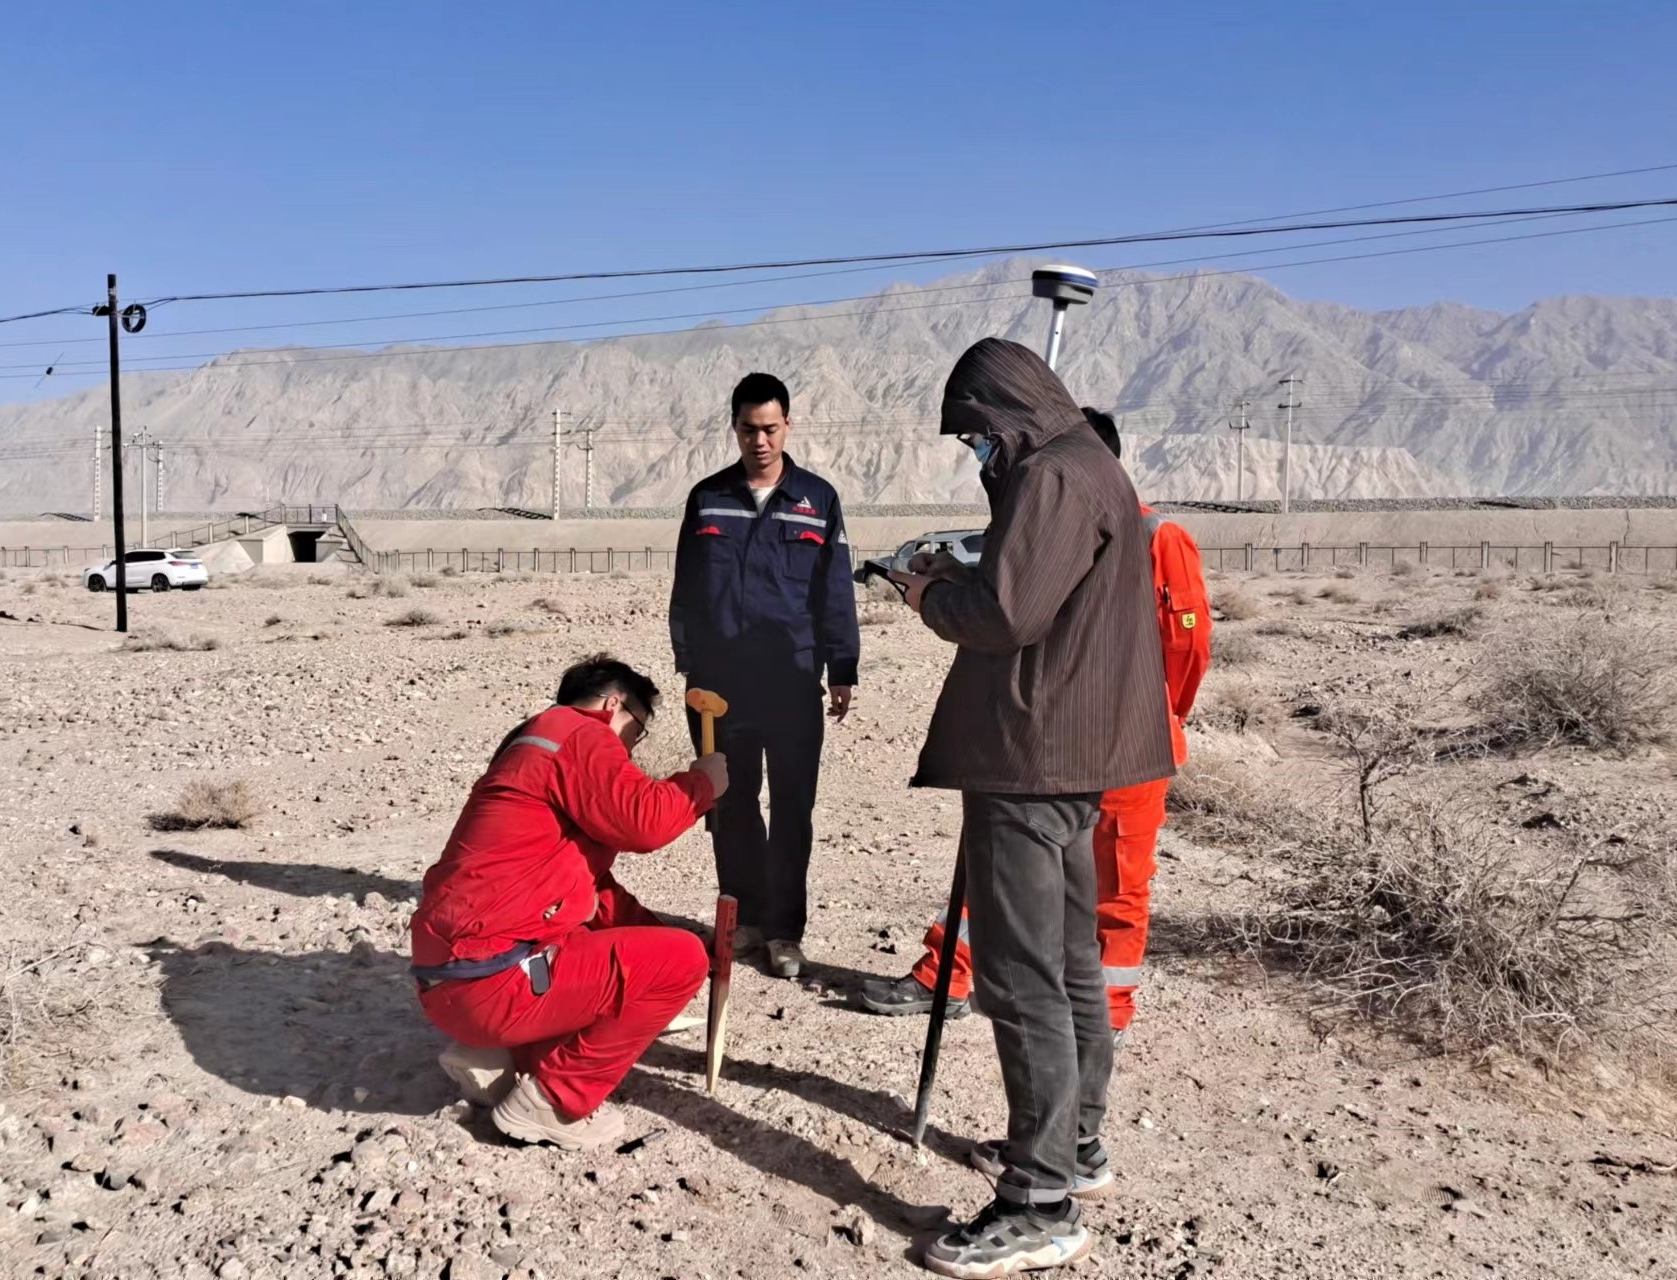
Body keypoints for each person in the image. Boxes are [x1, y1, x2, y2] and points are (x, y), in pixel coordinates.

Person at [889, 343, 1174, 1278]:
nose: (975, 453)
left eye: (974, 437)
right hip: (1075, 758)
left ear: (1001, 415)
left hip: (1029, 759)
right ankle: (1075, 1145)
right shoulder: (1092, 465)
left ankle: (1040, 1202)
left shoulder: (1052, 476)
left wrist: (929, 592)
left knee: (1020, 980)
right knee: (1070, 959)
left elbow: (1006, 616)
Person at [856, 408, 1212, 1054]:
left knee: (1118, 883)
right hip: (1046, 740)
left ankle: (1103, 1021)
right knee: (995, 859)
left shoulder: (1157, 537)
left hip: (1130, 748)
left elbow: (1186, 648)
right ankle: (947, 975)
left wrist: (1160, 720)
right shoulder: (1035, 530)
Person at [408, 655, 730, 1150]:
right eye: (636, 731)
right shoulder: (580, 733)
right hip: (493, 980)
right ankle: (552, 1103)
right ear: (613, 704)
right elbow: (644, 823)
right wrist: (702, 784)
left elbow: (593, 889)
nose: (630, 749)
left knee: (616, 944)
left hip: (449, 981)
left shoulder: (529, 743)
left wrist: (658, 936)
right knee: (680, 961)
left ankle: (500, 1057)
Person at [668, 372, 859, 979]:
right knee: (730, 805)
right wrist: (688, 665)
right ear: (734, 428)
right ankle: (744, 919)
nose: (760, 441)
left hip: (792, 682)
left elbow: (834, 590)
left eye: (771, 428)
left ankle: (783, 932)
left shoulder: (817, 500)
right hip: (720, 687)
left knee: (793, 809)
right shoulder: (708, 498)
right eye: (749, 429)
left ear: (788, 427)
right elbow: (686, 588)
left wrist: (842, 666)